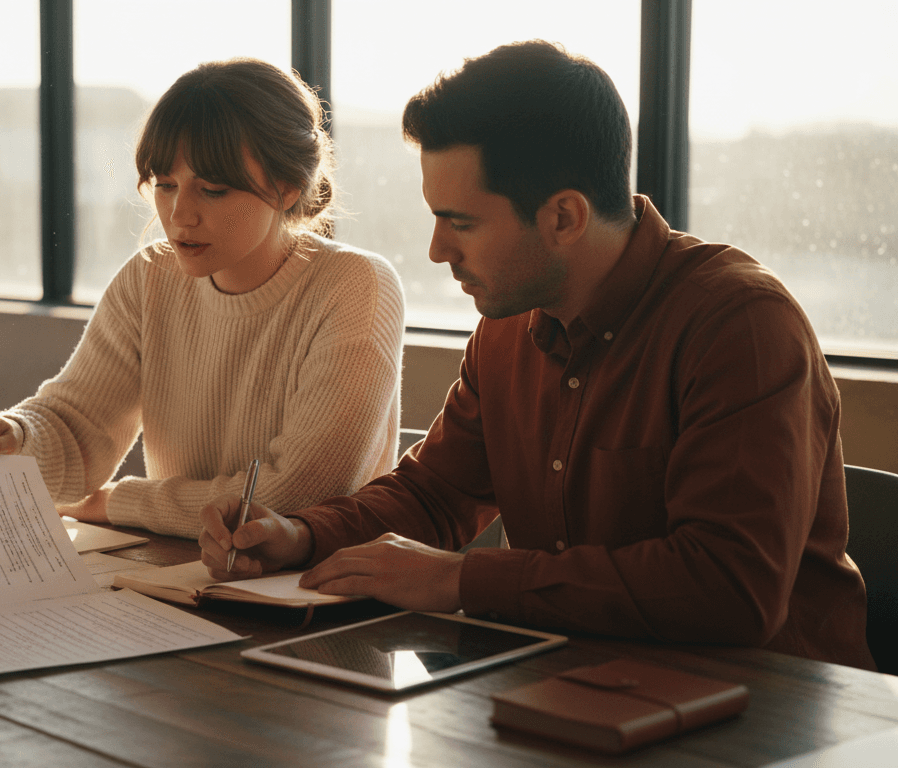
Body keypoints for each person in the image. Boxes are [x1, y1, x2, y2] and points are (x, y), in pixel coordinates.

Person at [199, 41, 876, 670]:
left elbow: (727, 591)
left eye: (460, 222)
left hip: (773, 711)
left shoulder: (740, 327)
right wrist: (298, 534)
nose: (438, 251)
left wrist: (462, 579)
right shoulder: (509, 323)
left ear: (563, 218)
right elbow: (437, 493)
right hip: (575, 679)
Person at [0, 58, 405, 539]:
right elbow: (78, 428)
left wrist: (126, 502)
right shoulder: (149, 278)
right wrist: (15, 435)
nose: (180, 214)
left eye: (213, 189)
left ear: (286, 188)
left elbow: (297, 497)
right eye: (165, 185)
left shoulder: (355, 285)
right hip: (174, 571)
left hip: (308, 594)